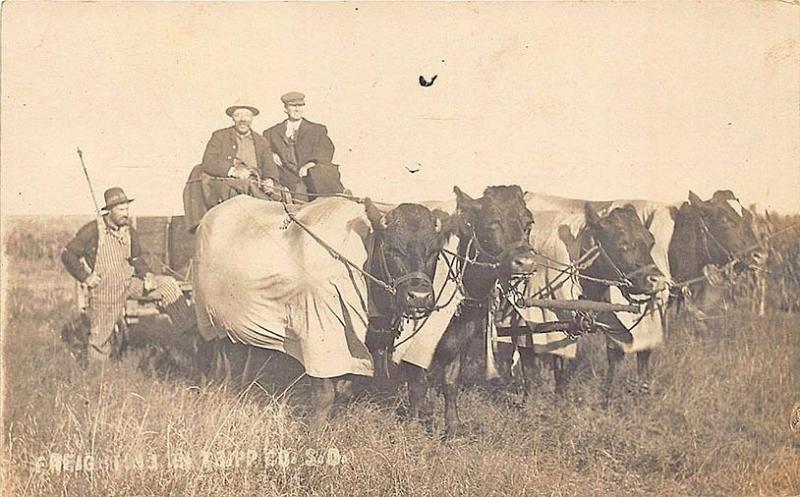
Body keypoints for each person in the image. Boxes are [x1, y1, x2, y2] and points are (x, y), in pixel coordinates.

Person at [62, 187, 192, 362]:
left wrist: (147, 275)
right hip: (106, 290)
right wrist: (85, 277)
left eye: (127, 209)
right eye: (121, 210)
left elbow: (137, 258)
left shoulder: (129, 230)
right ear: (110, 210)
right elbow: (68, 254)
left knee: (168, 284)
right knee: (100, 338)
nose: (126, 213)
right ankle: (98, 378)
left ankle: (189, 334)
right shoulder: (93, 230)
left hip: (130, 283)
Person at [183, 100, 282, 230]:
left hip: (255, 184)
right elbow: (208, 162)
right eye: (238, 115)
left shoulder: (261, 141)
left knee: (280, 202)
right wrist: (233, 171)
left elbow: (269, 165)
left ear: (252, 118)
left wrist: (270, 179)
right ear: (232, 118)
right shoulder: (220, 136)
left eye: (246, 115)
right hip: (228, 185)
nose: (242, 120)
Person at [263, 92, 346, 201]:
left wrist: (310, 164)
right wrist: (271, 154)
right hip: (285, 178)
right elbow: (263, 150)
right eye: (293, 106)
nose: (297, 109)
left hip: (310, 178)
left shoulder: (317, 130)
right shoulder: (271, 132)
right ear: (285, 109)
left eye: (300, 106)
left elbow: (326, 150)